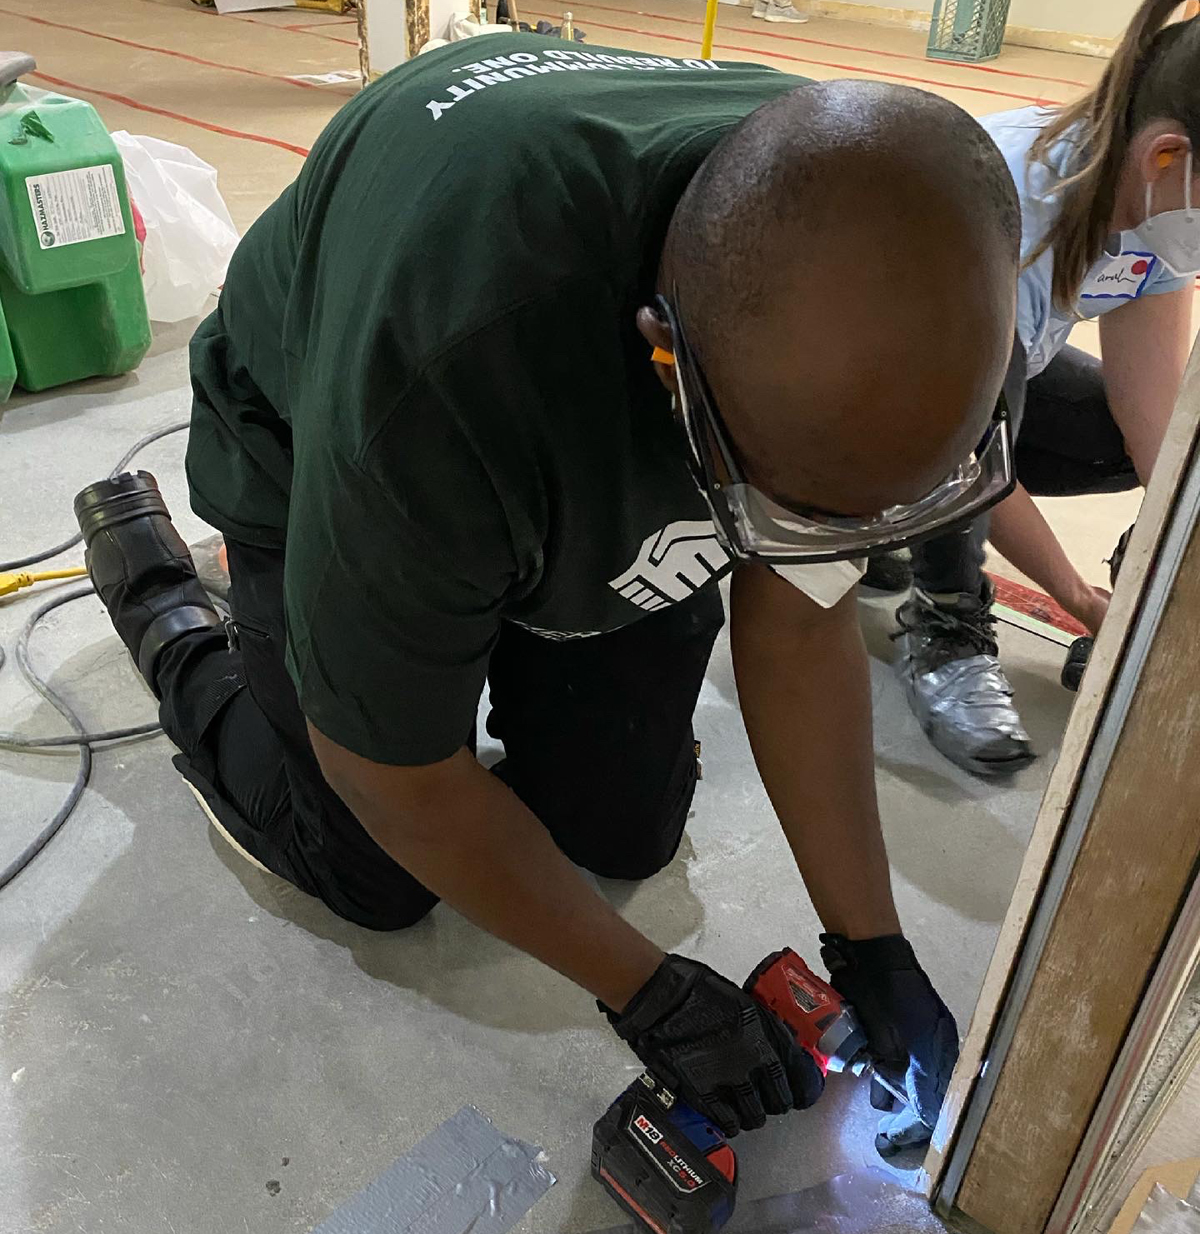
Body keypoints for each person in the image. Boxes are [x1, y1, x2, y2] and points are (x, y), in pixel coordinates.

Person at [72, 38, 1020, 1147]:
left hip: (565, 423)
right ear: (665, 359)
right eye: (790, 508)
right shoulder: (435, 372)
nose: (821, 548)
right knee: (374, 869)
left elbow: (801, 621)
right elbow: (397, 776)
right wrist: (643, 987)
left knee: (624, 831)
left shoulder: (878, 235)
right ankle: (164, 605)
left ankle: (494, 593)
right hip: (312, 425)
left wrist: (872, 944)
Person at [879, 0, 1199, 777]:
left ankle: (882, 524)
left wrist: (1166, 590)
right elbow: (973, 454)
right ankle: (945, 626)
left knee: (1130, 450)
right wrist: (1077, 600)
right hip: (874, 390)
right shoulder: (1005, 200)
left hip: (977, 374)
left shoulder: (1162, 202)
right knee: (970, 434)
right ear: (1166, 155)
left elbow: (1150, 423)